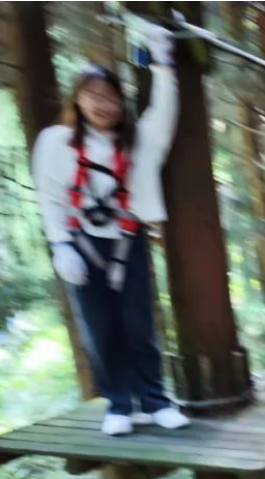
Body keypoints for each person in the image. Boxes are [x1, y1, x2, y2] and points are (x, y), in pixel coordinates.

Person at [31, 25, 189, 437]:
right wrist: (60, 245)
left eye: (109, 97)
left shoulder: (138, 142)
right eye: (92, 96)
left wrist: (163, 63)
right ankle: (119, 404)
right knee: (99, 329)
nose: (101, 105)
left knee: (139, 325)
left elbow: (164, 114)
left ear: (121, 102)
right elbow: (49, 197)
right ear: (77, 99)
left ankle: (154, 401)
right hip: (81, 244)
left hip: (127, 242)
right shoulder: (56, 143)